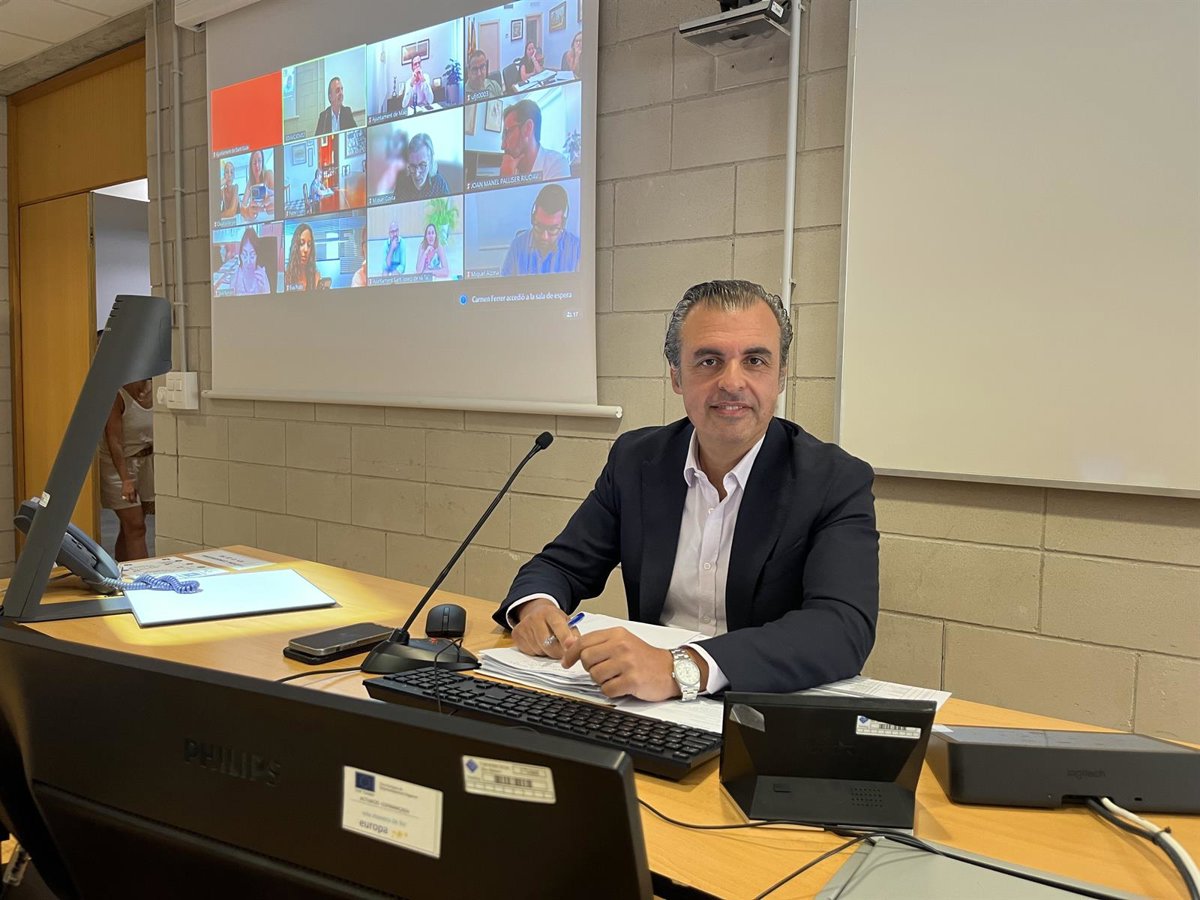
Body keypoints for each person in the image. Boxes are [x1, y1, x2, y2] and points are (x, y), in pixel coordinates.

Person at [494, 280, 880, 700]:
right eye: (709, 361)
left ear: (780, 376)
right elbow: (562, 565)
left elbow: (841, 627)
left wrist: (682, 667)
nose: (732, 382)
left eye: (755, 361)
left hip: (757, 706)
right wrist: (536, 606)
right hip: (645, 707)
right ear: (677, 376)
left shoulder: (834, 480)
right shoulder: (637, 461)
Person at [98, 376, 155, 562]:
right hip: (119, 465)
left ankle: (122, 569)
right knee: (136, 526)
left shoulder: (155, 388)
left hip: (146, 461)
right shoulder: (118, 394)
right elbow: (114, 440)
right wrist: (125, 479)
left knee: (130, 527)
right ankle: (143, 573)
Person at [500, 183, 580, 276]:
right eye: (539, 226)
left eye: (552, 229)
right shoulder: (517, 245)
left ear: (563, 224)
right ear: (533, 218)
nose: (544, 237)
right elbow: (505, 282)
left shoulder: (577, 249)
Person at [499, 98, 570, 180]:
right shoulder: (509, 168)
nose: (502, 146)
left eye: (508, 132)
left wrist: (507, 180)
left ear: (527, 129)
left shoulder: (557, 164)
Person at [393, 132, 450, 201]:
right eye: (412, 166)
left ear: (430, 161)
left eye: (422, 165)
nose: (417, 174)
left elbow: (449, 207)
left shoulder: (440, 185)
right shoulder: (401, 184)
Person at [231, 227, 270, 295]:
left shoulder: (262, 275)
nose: (248, 262)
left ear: (257, 256)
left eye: (252, 255)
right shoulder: (236, 275)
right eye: (244, 255)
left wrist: (264, 290)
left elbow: (269, 299)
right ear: (240, 255)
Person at [238, 149, 274, 220]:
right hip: (257, 220)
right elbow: (242, 208)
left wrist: (272, 199)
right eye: (254, 163)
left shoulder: (268, 174)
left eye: (259, 161)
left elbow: (279, 197)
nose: (257, 165)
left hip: (271, 218)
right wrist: (248, 211)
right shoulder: (250, 183)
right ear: (251, 165)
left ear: (262, 162)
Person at [285, 223, 318, 291]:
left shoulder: (315, 276)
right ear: (295, 246)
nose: (306, 250)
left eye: (309, 245)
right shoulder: (286, 276)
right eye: (301, 243)